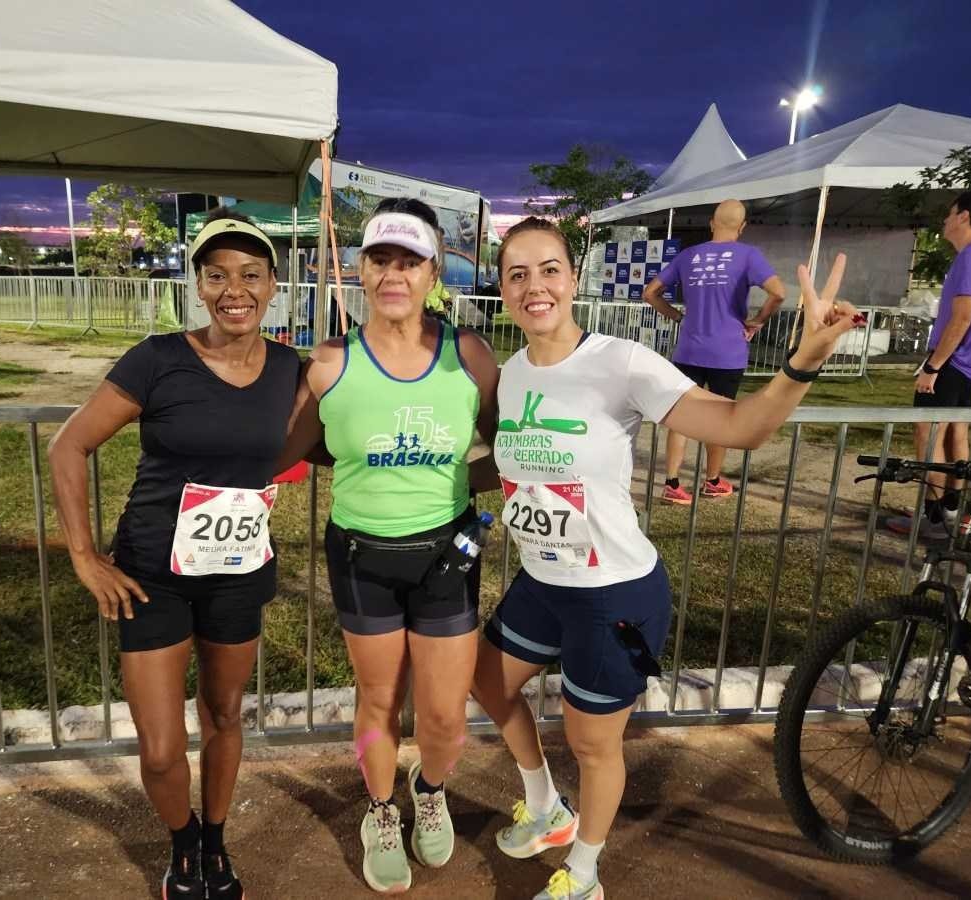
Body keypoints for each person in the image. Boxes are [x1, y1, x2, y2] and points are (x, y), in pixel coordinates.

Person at [469, 217, 862, 900]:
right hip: (543, 580)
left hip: (614, 593)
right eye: (518, 273)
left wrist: (804, 360)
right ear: (502, 288)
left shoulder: (620, 362)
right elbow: (504, 466)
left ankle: (586, 875)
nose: (535, 285)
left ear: (573, 278)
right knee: (489, 683)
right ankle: (544, 808)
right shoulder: (507, 376)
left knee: (593, 745)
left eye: (549, 269)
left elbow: (740, 427)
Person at [48, 210, 299, 900]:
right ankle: (181, 840)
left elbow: (329, 437)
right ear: (198, 284)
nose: (233, 289)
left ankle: (213, 845)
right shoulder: (157, 359)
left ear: (274, 285)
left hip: (239, 575)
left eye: (250, 274)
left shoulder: (289, 370)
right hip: (153, 576)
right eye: (216, 274)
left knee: (223, 717)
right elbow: (68, 445)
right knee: (160, 748)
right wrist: (84, 555)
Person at [279, 197, 499, 893]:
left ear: (435, 271)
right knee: (378, 700)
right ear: (361, 271)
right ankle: (379, 810)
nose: (394, 274)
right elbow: (292, 447)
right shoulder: (329, 362)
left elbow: (509, 447)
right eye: (381, 259)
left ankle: (428, 788)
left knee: (442, 716)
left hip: (445, 556)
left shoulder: (469, 355)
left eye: (411, 260)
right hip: (361, 558)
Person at [642, 199, 785, 504]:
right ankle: (712, 481)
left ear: (711, 223)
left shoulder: (688, 256)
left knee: (679, 416)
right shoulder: (748, 255)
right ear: (742, 227)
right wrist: (758, 321)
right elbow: (779, 293)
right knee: (721, 418)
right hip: (728, 353)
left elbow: (650, 293)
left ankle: (672, 483)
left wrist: (679, 317)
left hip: (688, 351)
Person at [888, 190, 971, 541]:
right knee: (955, 434)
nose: (945, 221)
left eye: (949, 214)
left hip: (953, 361)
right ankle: (951, 510)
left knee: (928, 433)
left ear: (964, 216)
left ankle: (932, 516)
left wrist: (932, 367)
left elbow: (962, 318)